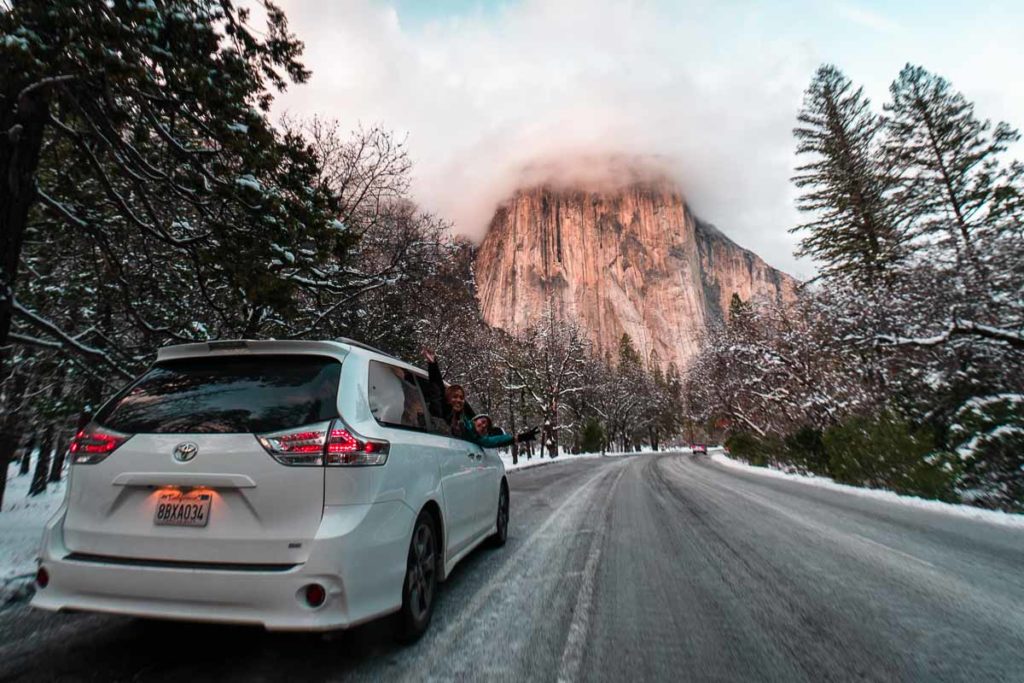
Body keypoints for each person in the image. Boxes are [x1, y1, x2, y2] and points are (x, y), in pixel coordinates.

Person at [422, 348, 474, 438]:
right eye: (455, 396)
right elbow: (437, 385)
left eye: (461, 398)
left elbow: (480, 424)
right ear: (447, 399)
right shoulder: (440, 411)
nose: (458, 400)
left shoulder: (466, 416)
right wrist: (433, 364)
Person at [465, 413, 538, 449]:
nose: (483, 426)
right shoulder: (462, 423)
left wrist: (521, 437)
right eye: (483, 421)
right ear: (474, 420)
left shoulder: (480, 440)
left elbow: (498, 440)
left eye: (486, 427)